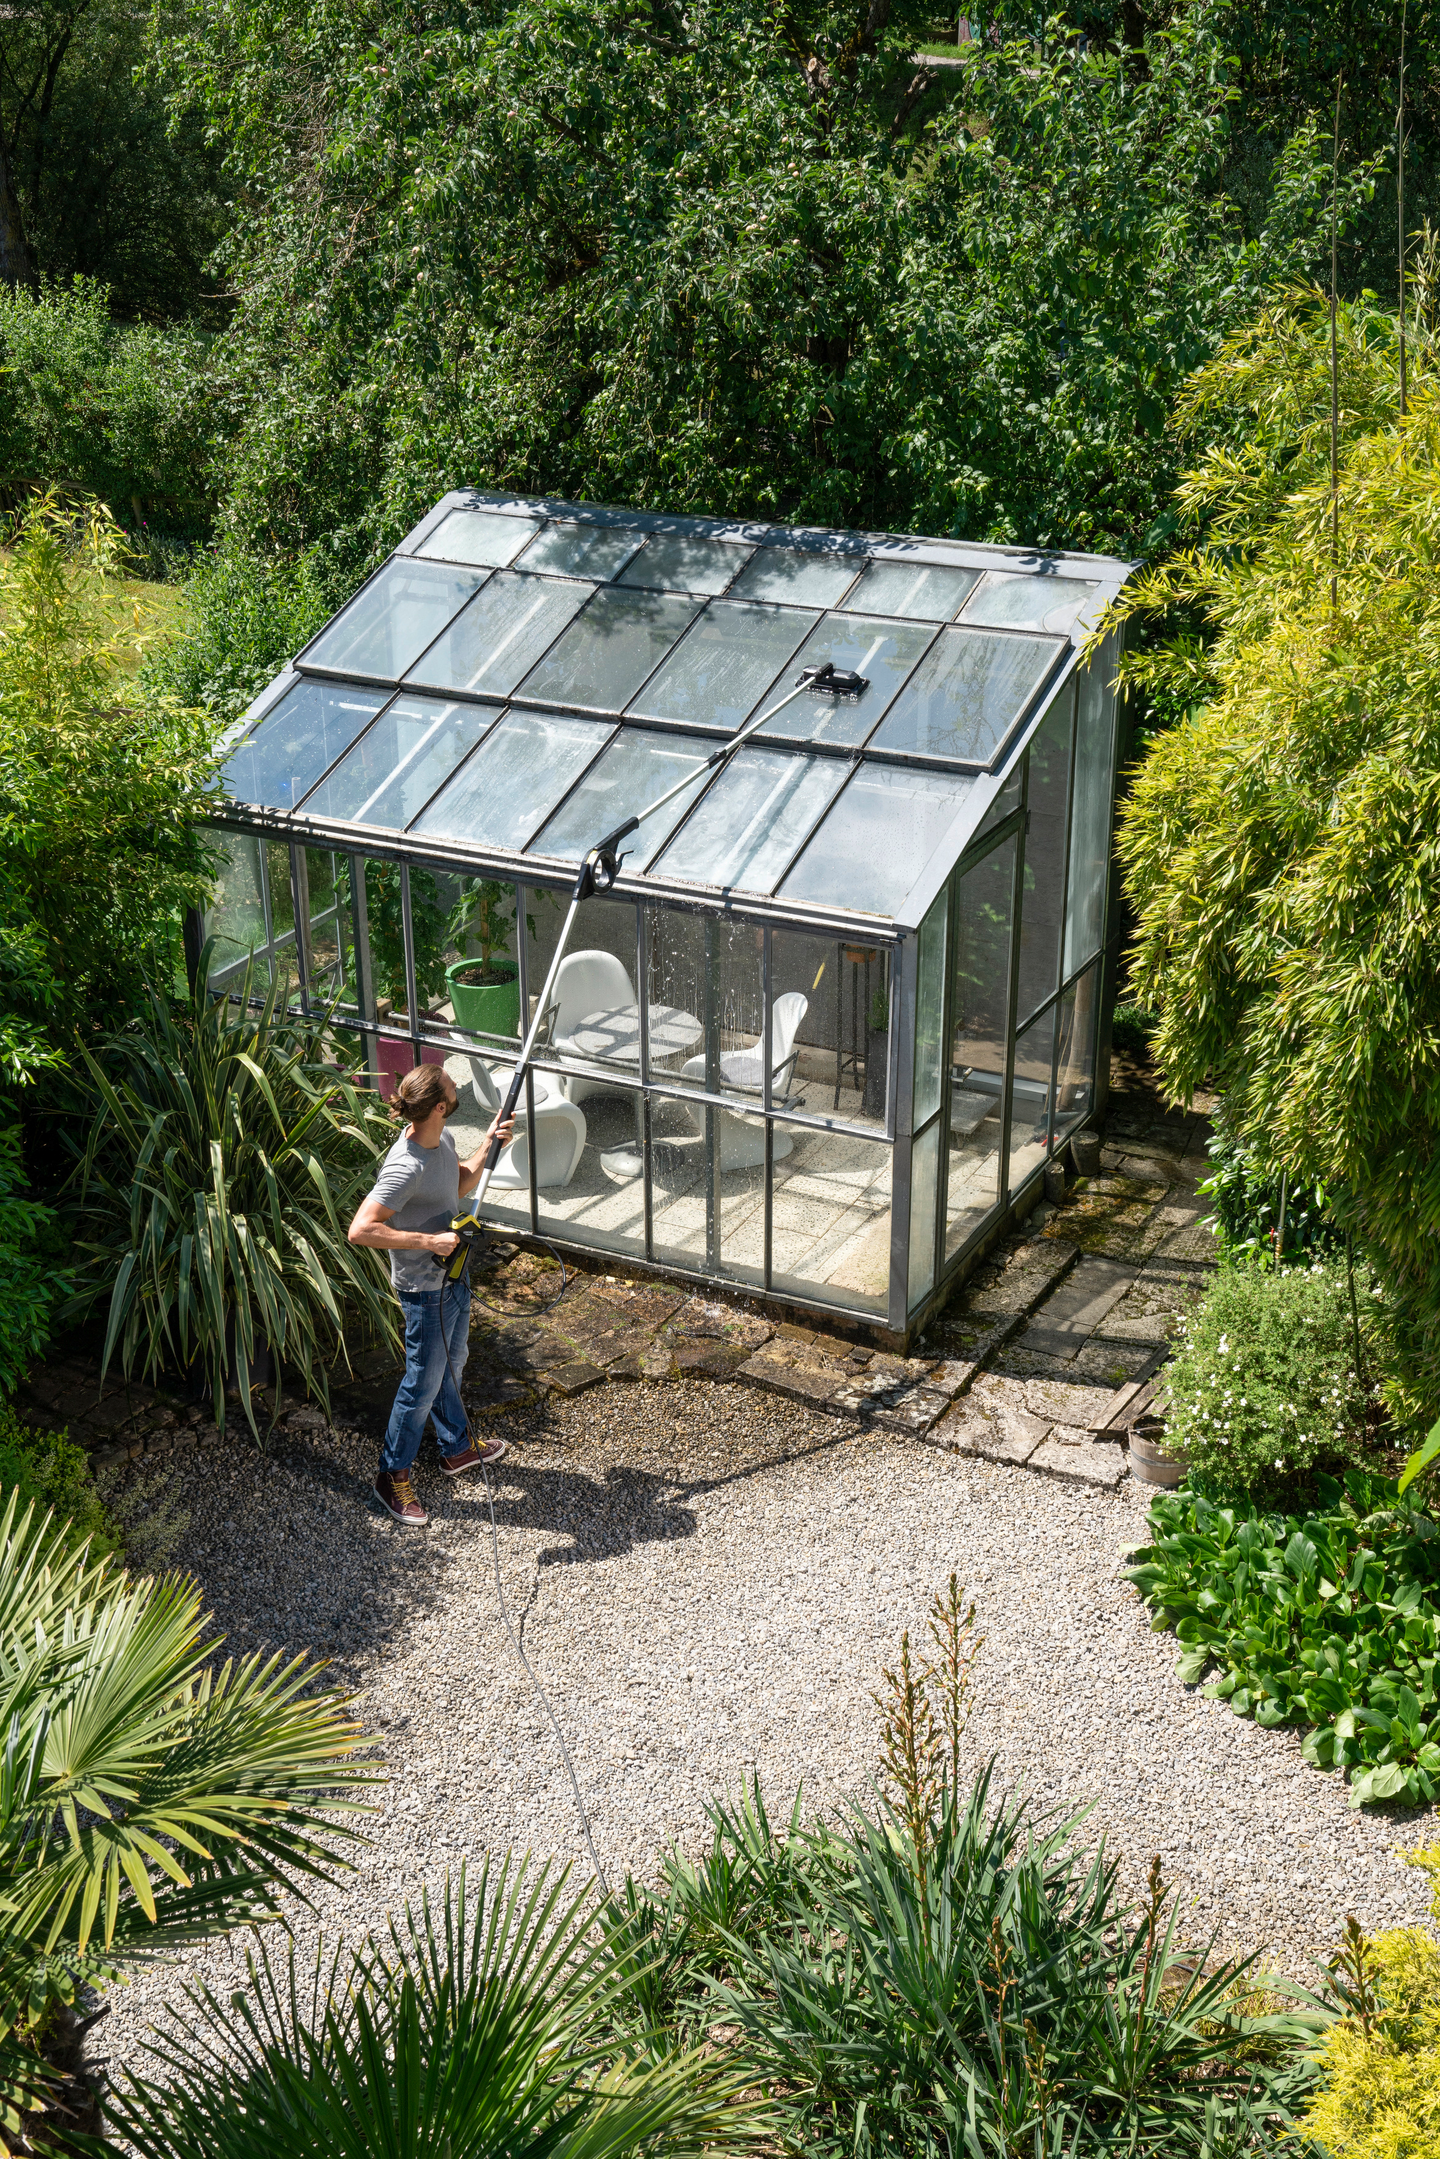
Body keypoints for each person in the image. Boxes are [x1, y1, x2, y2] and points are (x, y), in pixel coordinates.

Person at [348, 1063, 515, 1526]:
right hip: (424, 1290)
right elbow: (360, 1231)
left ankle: (456, 1449)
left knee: (453, 1361)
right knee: (421, 1384)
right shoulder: (405, 1167)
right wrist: (427, 1242)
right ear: (440, 1105)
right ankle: (391, 1476)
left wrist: (489, 1144)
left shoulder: (439, 1139)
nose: (457, 1083)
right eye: (450, 1083)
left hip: (453, 1277)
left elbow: (457, 1183)